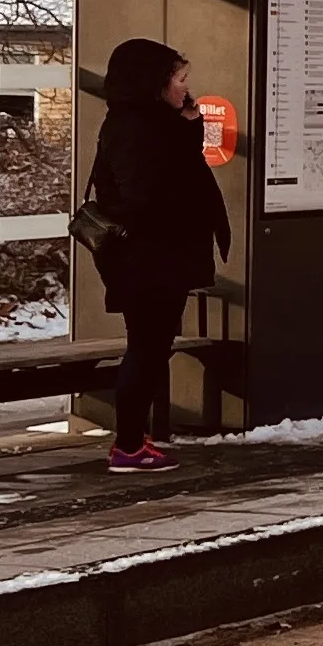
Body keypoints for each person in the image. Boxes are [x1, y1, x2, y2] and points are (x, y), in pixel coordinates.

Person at [87, 37, 230, 471]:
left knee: (151, 348)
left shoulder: (146, 122)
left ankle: (133, 441)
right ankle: (127, 447)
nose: (186, 89)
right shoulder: (136, 128)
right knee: (146, 349)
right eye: (180, 79)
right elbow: (149, 196)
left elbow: (173, 172)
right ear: (154, 82)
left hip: (154, 260)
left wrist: (186, 127)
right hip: (145, 262)